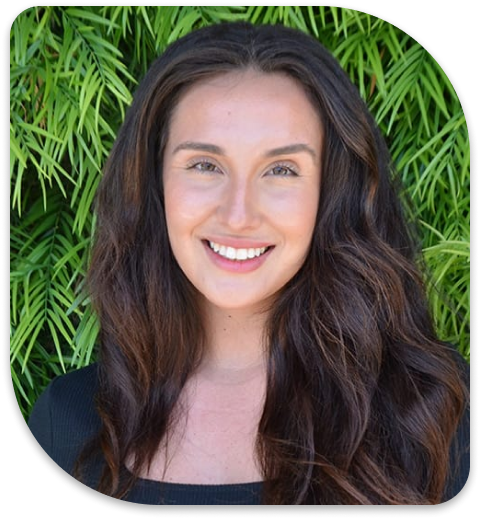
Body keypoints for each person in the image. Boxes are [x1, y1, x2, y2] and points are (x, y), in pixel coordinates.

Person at [28, 22, 469, 505]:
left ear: (330, 194)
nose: (238, 214)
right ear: (154, 185)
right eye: (205, 164)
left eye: (281, 170)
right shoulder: (65, 421)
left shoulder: (435, 409)